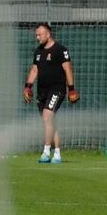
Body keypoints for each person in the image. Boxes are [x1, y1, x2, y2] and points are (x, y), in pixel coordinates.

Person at [23, 23, 79, 163]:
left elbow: (68, 69)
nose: (37, 37)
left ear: (48, 34)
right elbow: (35, 70)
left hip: (57, 89)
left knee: (47, 116)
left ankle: (46, 151)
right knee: (48, 122)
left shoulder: (60, 50)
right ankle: (57, 154)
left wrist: (71, 89)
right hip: (42, 90)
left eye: (39, 34)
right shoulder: (38, 52)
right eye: (36, 35)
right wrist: (28, 87)